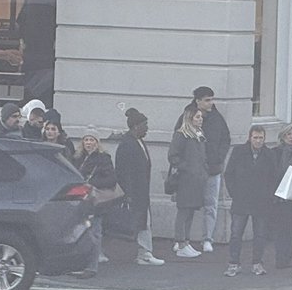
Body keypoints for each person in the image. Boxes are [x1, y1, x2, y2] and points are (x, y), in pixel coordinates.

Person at [223, 125, 279, 277]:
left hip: (261, 201)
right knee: (236, 233)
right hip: (241, 199)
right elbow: (229, 174)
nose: (258, 141)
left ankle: (257, 263)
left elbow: (274, 177)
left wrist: (269, 195)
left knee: (260, 234)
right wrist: (234, 193)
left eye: (261, 138)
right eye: (255, 137)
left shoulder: (268, 154)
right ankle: (234, 263)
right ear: (250, 138)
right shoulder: (239, 152)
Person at [180, 87, 230, 253]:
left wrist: (218, 158)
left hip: (212, 168)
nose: (211, 103)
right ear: (198, 101)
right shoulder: (186, 117)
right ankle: (182, 239)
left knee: (211, 205)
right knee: (188, 205)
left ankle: (207, 238)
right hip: (193, 171)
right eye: (207, 100)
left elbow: (225, 139)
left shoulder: (217, 118)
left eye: (211, 99)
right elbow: (179, 140)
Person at [114, 107, 164, 265]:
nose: (147, 128)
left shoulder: (138, 142)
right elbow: (122, 171)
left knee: (144, 222)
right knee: (141, 223)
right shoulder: (127, 145)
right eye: (145, 124)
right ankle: (144, 253)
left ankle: (145, 252)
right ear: (136, 126)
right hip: (134, 192)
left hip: (141, 191)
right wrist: (127, 193)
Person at [71, 133, 117, 278]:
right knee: (80, 233)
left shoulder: (103, 158)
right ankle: (80, 264)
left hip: (95, 201)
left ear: (97, 142)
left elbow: (111, 180)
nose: (88, 143)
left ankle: (92, 266)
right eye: (86, 139)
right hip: (81, 200)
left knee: (94, 233)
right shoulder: (77, 158)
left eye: (91, 140)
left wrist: (91, 184)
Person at [169, 107, 209, 258]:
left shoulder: (199, 135)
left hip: (198, 179)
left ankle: (186, 241)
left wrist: (203, 171)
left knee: (191, 211)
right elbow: (173, 156)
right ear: (190, 118)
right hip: (186, 179)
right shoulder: (182, 135)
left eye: (200, 117)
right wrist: (187, 168)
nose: (200, 119)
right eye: (197, 117)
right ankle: (180, 242)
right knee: (184, 211)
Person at [268, 124, 292, 270]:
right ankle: (280, 258)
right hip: (278, 196)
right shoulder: (275, 152)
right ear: (283, 136)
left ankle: (288, 257)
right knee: (280, 229)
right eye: (289, 134)